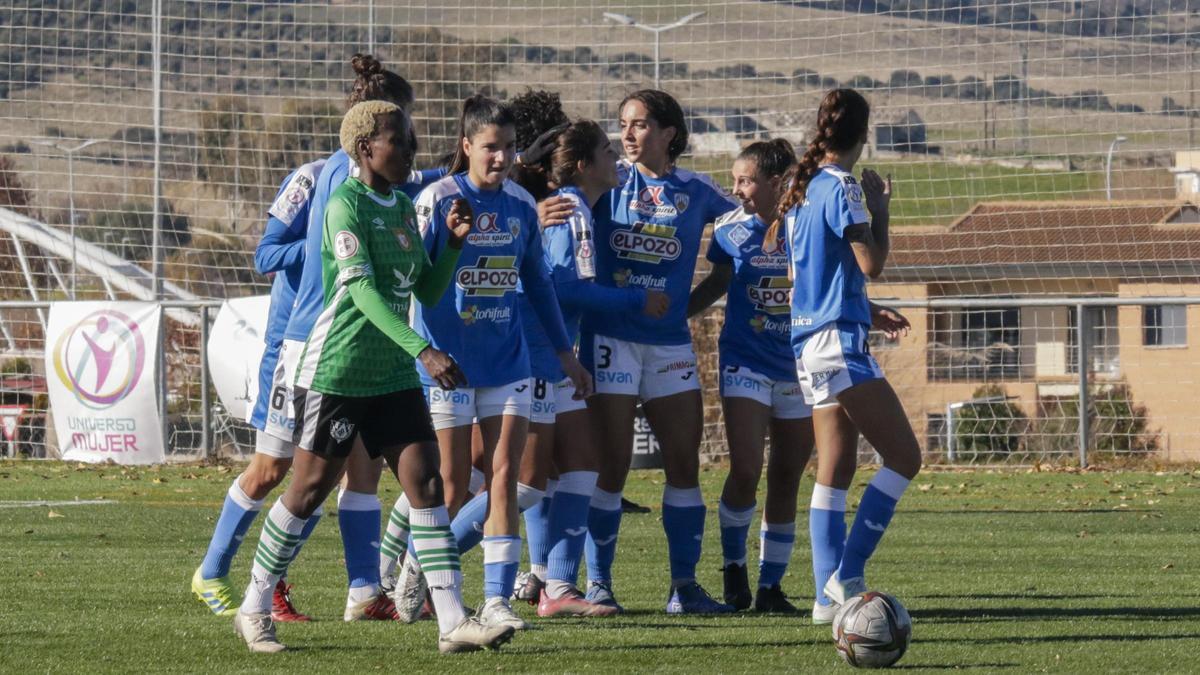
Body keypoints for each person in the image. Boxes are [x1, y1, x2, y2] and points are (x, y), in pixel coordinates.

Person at [233, 101, 513, 654]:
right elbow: (359, 292)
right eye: (400, 140)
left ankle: (453, 621)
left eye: (410, 140)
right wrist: (424, 350)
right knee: (307, 491)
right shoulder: (343, 205)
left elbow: (424, 291)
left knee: (427, 483)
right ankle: (254, 603)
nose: (411, 149)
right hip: (338, 371)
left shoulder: (403, 208)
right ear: (366, 149)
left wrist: (452, 246)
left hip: (391, 372)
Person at [191, 52, 420, 621]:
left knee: (359, 468)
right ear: (367, 128)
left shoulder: (391, 192)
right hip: (300, 344)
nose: (408, 143)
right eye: (401, 128)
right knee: (282, 471)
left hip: (359, 350)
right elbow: (266, 253)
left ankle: (364, 591)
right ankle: (218, 573)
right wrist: (325, 245)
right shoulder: (317, 180)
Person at [688, 139, 910, 615]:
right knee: (747, 469)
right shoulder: (729, 230)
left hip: (796, 360)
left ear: (775, 183)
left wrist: (868, 312)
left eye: (746, 180)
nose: (738, 190)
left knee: (788, 474)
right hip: (745, 359)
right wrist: (676, 316)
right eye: (734, 181)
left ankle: (771, 586)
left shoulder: (802, 221)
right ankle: (733, 567)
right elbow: (716, 283)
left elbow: (821, 285)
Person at [397, 95, 592, 631]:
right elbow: (416, 279)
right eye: (490, 147)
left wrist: (563, 354)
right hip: (450, 364)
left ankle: (497, 601)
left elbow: (539, 285)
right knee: (453, 487)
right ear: (466, 146)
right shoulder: (436, 200)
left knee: (504, 478)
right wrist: (421, 347)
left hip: (510, 362)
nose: (501, 158)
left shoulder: (520, 207)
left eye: (508, 148)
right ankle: (418, 560)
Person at [579, 89, 738, 614]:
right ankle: (598, 584)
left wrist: (687, 308)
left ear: (669, 133)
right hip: (610, 341)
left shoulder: (698, 190)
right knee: (612, 465)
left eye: (640, 124)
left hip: (669, 345)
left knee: (683, 464)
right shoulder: (608, 181)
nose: (627, 134)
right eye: (623, 124)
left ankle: (684, 588)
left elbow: (750, 237)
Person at [780, 88, 922, 624]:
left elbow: (803, 277)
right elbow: (870, 262)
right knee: (906, 458)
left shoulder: (802, 187)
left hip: (806, 341)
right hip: (837, 342)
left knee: (835, 469)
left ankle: (823, 599)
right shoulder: (842, 188)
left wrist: (867, 311)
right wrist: (882, 211)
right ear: (866, 133)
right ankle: (848, 574)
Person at [521, 119, 664, 616]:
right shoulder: (573, 211)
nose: (616, 157)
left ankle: (556, 588)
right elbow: (564, 289)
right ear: (584, 166)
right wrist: (635, 299)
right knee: (513, 482)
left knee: (577, 467)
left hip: (554, 353)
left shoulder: (578, 207)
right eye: (607, 149)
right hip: (538, 354)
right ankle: (423, 564)